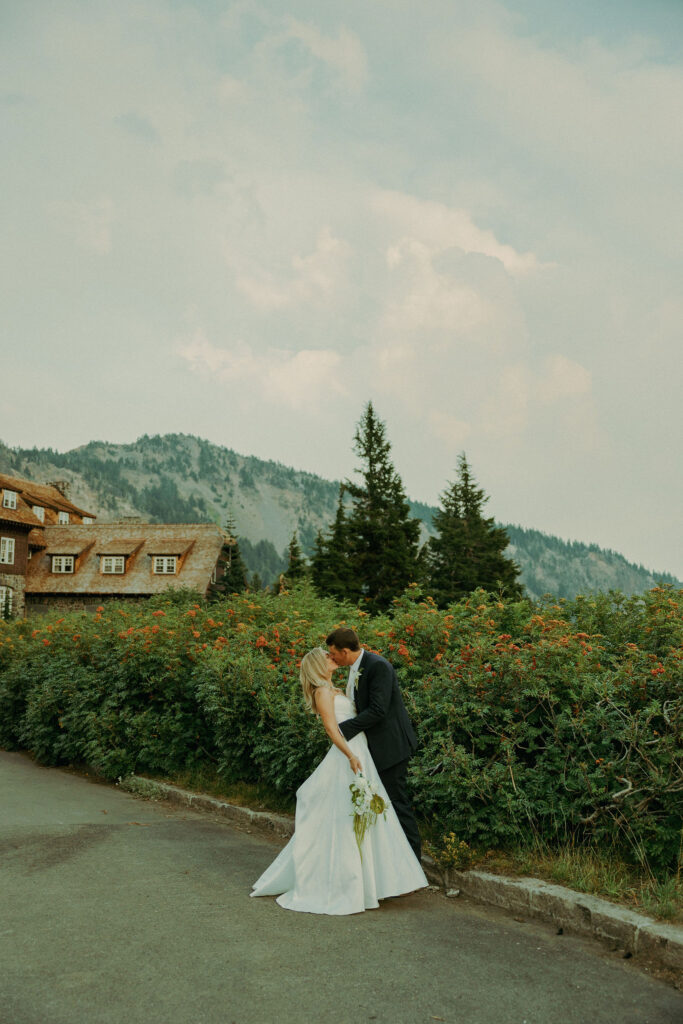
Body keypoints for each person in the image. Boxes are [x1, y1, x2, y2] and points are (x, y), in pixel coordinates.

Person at [250, 647, 427, 915]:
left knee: (371, 813)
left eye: (332, 655)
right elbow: (332, 730)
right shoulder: (322, 692)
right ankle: (349, 880)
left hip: (362, 752)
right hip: (350, 754)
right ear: (317, 666)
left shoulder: (338, 688)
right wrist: (350, 755)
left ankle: (379, 880)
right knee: (349, 814)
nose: (332, 658)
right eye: (327, 657)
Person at [327, 627, 422, 861]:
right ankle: (391, 861)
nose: (331, 657)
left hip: (391, 746)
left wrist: (342, 731)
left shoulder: (378, 666)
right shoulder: (354, 667)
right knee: (381, 805)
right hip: (370, 748)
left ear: (346, 651)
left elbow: (378, 710)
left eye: (333, 653)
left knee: (397, 802)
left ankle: (413, 862)